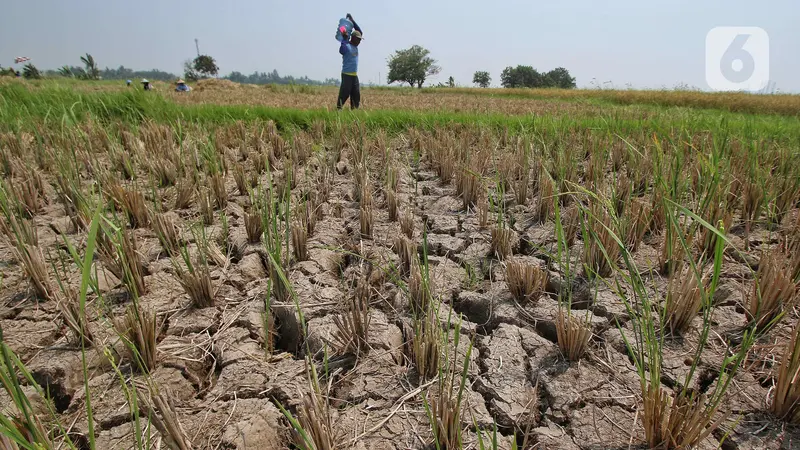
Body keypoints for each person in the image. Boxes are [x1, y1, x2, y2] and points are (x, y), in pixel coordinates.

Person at [336, 13, 363, 110]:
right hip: (346, 75)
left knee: (356, 96)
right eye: (358, 40)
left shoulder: (355, 46)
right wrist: (343, 38)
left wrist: (352, 20)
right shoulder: (346, 46)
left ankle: (353, 114)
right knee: (344, 94)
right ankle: (338, 111)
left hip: (354, 76)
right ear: (354, 38)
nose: (360, 42)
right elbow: (341, 51)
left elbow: (359, 31)